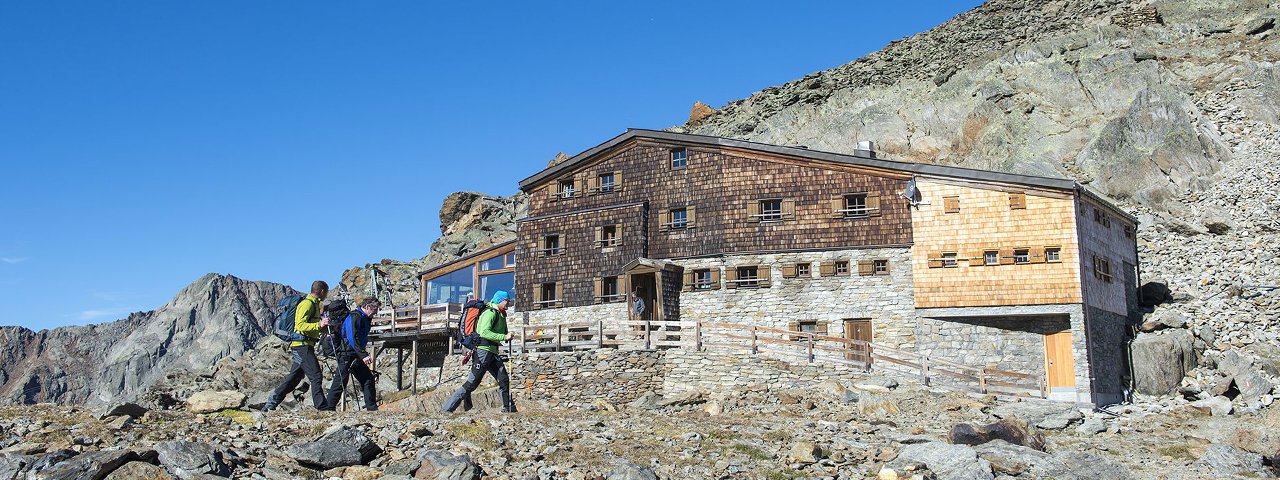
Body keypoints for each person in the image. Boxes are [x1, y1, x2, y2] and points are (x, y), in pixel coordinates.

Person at [441, 290, 516, 413]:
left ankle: (509, 409)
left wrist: (507, 336)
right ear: (499, 300)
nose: (509, 302)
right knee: (472, 383)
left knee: (504, 379)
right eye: (507, 300)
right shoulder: (490, 313)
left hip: (492, 352)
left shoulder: (500, 314)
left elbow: (496, 333)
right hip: (483, 352)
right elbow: (484, 332)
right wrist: (503, 337)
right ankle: (446, 409)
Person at [264, 280, 330, 411]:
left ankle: (270, 404)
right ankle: (322, 408)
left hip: (305, 344)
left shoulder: (314, 304)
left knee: (294, 379)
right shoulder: (307, 304)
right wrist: (319, 325)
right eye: (326, 292)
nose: (326, 295)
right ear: (322, 291)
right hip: (301, 346)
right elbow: (299, 326)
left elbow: (311, 327)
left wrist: (323, 328)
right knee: (316, 375)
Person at [323, 297, 380, 411]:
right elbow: (352, 337)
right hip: (347, 353)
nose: (376, 312)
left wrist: (361, 354)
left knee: (367, 379)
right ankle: (328, 408)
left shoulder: (363, 318)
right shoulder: (355, 317)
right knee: (341, 381)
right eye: (375, 309)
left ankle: (372, 409)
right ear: (367, 307)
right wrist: (363, 355)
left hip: (354, 354)